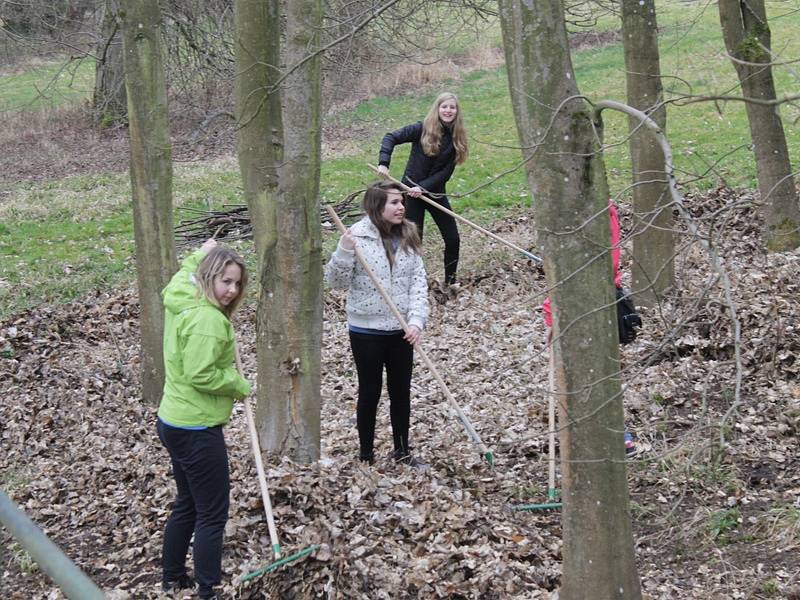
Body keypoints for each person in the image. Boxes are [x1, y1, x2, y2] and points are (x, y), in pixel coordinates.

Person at [156, 239, 251, 600]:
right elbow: (201, 373)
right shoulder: (208, 320)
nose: (232, 290)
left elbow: (179, 277)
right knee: (212, 513)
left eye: (238, 283)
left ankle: (172, 577)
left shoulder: (182, 296)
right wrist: (238, 384)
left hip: (173, 420)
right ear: (208, 277)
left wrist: (200, 252)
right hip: (196, 427)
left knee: (188, 502)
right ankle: (207, 589)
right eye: (225, 281)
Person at [325, 181, 430, 466]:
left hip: (401, 331)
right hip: (366, 330)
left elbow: (419, 283)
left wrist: (417, 321)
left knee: (401, 392)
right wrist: (344, 251)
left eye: (401, 202)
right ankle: (366, 455)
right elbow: (335, 282)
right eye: (394, 202)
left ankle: (402, 450)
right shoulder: (356, 237)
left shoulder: (408, 235)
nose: (401, 207)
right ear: (376, 206)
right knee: (369, 391)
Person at [541, 201, 636, 454]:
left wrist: (551, 314)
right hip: (595, 297)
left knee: (591, 371)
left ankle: (610, 434)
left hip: (588, 302)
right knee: (592, 370)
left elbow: (577, 271)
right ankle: (596, 434)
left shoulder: (586, 208)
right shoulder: (600, 206)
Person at [377, 91, 468, 286]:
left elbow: (445, 172)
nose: (448, 110)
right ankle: (415, 284)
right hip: (409, 193)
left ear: (457, 111)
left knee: (453, 238)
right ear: (437, 109)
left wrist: (423, 187)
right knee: (414, 243)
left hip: (434, 193)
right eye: (444, 106)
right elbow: (390, 137)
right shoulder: (421, 128)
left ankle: (450, 283)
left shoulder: (456, 138)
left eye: (452, 107)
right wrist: (384, 162)